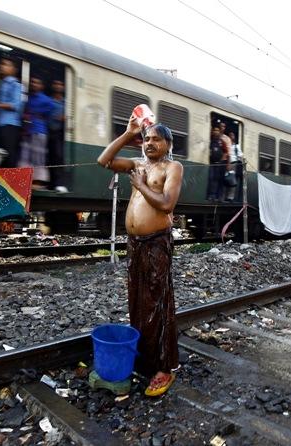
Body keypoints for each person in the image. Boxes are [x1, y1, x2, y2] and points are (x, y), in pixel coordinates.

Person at [97, 114, 183, 397]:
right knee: (137, 299)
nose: (149, 143)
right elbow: (104, 161)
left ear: (168, 143)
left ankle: (164, 367)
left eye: (156, 139)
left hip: (157, 242)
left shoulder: (173, 167)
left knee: (157, 302)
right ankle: (144, 357)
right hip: (135, 243)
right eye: (146, 139)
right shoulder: (138, 165)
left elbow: (167, 204)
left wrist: (141, 186)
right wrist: (128, 133)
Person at [0, 58, 22, 168]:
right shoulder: (2, 84)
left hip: (10, 125)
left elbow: (15, 105)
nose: (1, 66)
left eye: (5, 64)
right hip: (0, 125)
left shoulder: (15, 85)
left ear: (13, 69)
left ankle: (10, 183)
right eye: (1, 64)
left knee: (8, 158)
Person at [21, 76, 54, 186]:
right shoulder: (29, 98)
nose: (34, 84)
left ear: (42, 86)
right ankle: (26, 180)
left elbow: (50, 112)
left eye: (37, 82)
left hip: (39, 131)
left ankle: (38, 182)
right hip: (27, 131)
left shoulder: (46, 99)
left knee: (38, 157)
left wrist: (36, 114)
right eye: (32, 82)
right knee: (25, 155)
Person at [48, 80, 69, 193]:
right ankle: (52, 184)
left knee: (59, 157)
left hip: (60, 133)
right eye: (55, 84)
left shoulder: (66, 103)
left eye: (60, 84)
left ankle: (59, 183)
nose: (58, 86)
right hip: (49, 132)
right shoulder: (49, 101)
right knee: (50, 158)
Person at [206, 125, 228, 201]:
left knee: (216, 180)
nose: (216, 132)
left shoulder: (221, 142)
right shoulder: (210, 139)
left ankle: (214, 196)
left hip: (218, 164)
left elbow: (226, 152)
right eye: (214, 130)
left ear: (219, 132)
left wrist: (221, 160)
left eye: (217, 130)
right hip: (211, 163)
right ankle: (210, 195)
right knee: (211, 179)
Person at [226, 131, 243, 203]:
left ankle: (231, 197)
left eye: (232, 135)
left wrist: (238, 161)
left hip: (234, 164)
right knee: (227, 180)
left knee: (233, 181)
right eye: (229, 135)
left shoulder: (237, 146)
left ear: (234, 137)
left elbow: (241, 155)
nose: (230, 137)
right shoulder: (227, 145)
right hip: (227, 163)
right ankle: (226, 196)